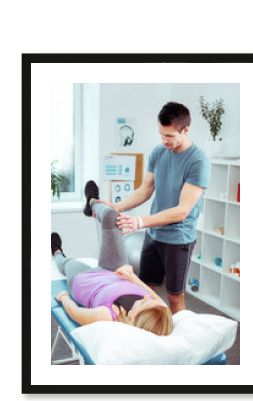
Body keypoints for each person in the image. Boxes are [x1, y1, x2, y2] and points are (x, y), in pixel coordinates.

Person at [95, 102, 211, 313]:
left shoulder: (198, 161)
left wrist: (139, 222)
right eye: (161, 134)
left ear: (185, 130)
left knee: (174, 298)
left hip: (178, 239)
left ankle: (180, 343)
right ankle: (150, 337)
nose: (164, 140)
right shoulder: (159, 152)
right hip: (153, 235)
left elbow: (182, 210)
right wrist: (117, 206)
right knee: (144, 291)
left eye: (169, 136)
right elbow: (145, 189)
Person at [52, 186, 173, 336]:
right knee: (111, 216)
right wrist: (133, 278)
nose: (147, 297)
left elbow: (76, 313)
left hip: (86, 282)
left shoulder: (108, 316)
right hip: (116, 273)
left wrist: (64, 298)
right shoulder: (159, 310)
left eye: (143, 302)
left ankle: (57, 252)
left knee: (67, 263)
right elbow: (155, 298)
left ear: (133, 320)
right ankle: (92, 203)